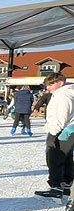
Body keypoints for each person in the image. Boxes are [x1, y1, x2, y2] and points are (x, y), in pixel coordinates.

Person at [35, 73, 74, 201]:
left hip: (61, 131)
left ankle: (56, 187)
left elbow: (60, 116)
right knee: (66, 158)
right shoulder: (66, 93)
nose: (48, 87)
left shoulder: (62, 96)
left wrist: (54, 132)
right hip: (68, 131)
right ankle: (66, 186)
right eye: (47, 84)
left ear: (61, 82)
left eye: (51, 84)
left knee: (54, 158)